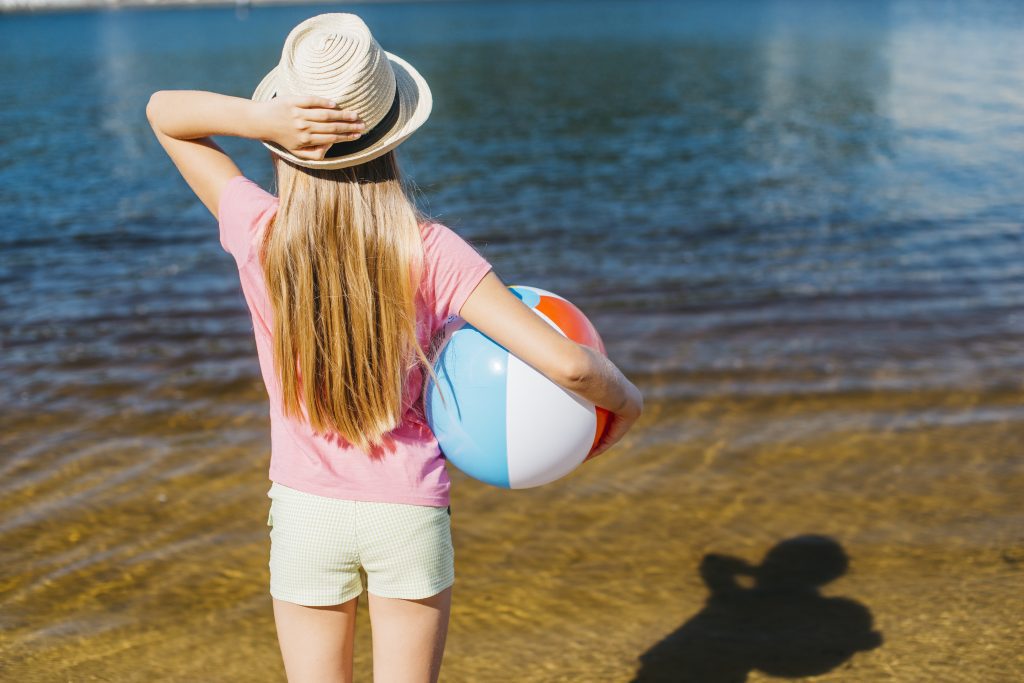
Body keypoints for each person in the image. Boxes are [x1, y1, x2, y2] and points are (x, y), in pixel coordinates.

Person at [146, 13, 642, 683]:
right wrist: (627, 405)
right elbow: (572, 365)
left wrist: (263, 122)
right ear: (391, 137)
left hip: (305, 509)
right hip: (406, 508)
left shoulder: (259, 232)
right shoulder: (431, 251)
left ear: (288, 142)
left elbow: (163, 112)